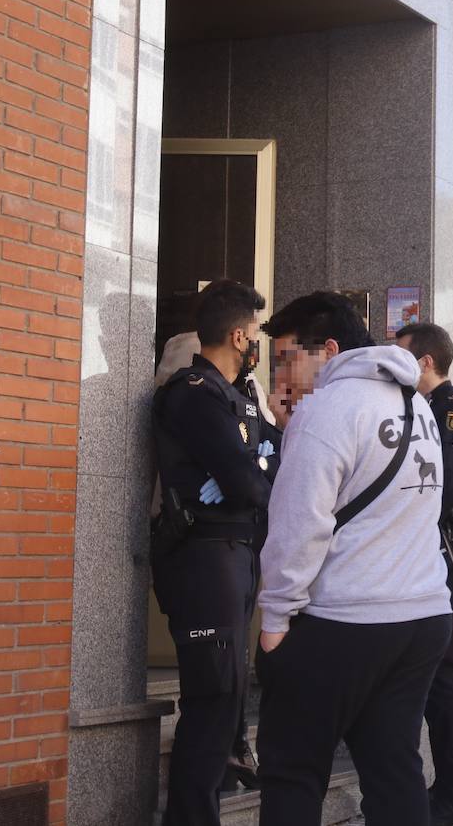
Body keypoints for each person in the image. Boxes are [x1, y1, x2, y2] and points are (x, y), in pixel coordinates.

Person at [256, 292, 453, 826]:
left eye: (289, 357)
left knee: (293, 769)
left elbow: (300, 525)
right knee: (394, 770)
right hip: (422, 613)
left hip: (346, 618)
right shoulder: (420, 408)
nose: (285, 374)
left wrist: (275, 617)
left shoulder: (327, 410)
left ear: (330, 350)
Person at [151, 279, 282, 825]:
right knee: (211, 701)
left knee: (227, 698)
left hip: (237, 555)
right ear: (237, 334)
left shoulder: (241, 396)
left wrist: (254, 467)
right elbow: (250, 483)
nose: (259, 342)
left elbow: (275, 459)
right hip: (205, 560)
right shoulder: (193, 393)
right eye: (255, 332)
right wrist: (252, 469)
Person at [394, 322, 453, 826]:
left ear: (425, 362)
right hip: (435, 556)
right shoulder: (419, 410)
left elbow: (444, 484)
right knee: (436, 676)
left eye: (401, 355)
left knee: (442, 674)